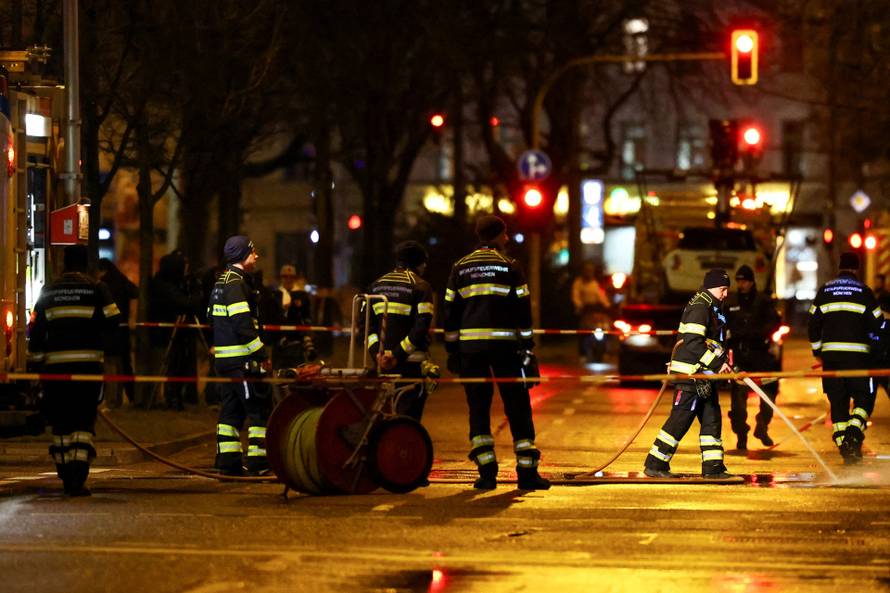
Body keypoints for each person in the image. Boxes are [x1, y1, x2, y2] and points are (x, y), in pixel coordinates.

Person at [444, 215, 549, 491]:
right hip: (506, 349)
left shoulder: (459, 268)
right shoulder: (510, 267)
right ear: (498, 235)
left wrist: (452, 349)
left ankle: (486, 474)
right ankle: (527, 474)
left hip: (471, 350)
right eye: (505, 234)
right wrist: (528, 350)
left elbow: (451, 313)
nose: (507, 238)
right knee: (518, 407)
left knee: (478, 408)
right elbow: (523, 312)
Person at [28, 245, 121, 496]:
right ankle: (77, 476)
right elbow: (114, 321)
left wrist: (37, 363)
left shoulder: (49, 291)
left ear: (64, 264)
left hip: (55, 370)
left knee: (60, 423)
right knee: (82, 421)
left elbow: (35, 330)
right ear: (86, 264)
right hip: (87, 368)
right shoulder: (96, 289)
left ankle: (64, 471)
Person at [643, 269, 733, 479]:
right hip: (691, 376)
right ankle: (655, 463)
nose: (725, 294)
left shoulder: (711, 306)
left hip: (703, 375)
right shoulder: (700, 306)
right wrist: (718, 364)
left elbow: (713, 343)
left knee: (712, 419)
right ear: (712, 287)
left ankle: (713, 468)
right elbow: (693, 342)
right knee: (680, 419)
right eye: (723, 289)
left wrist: (724, 365)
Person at [808, 251, 885, 464]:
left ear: (840, 267)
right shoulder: (864, 292)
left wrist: (818, 352)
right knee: (864, 399)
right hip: (859, 359)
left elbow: (813, 324)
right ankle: (853, 434)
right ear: (856, 269)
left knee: (838, 402)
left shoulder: (825, 291)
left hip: (831, 359)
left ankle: (845, 448)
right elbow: (878, 324)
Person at [208, 236, 271, 476]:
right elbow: (242, 324)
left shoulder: (221, 281)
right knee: (257, 410)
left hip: (225, 361)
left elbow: (211, 319)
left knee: (230, 413)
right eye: (253, 252)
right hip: (242, 361)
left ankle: (229, 463)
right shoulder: (236, 283)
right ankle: (259, 463)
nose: (256, 256)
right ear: (244, 255)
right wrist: (261, 353)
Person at [366, 240, 435, 422]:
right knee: (408, 420)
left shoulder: (375, 286)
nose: (425, 266)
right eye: (424, 262)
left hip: (381, 366)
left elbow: (367, 328)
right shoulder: (421, 287)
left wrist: (378, 355)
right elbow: (421, 327)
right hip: (411, 365)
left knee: (382, 416)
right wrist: (397, 355)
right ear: (418, 263)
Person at [725, 264, 782, 449]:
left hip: (760, 355)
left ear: (751, 282)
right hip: (741, 357)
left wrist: (759, 333)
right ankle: (741, 435)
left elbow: (775, 322)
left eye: (745, 281)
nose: (741, 285)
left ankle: (762, 426)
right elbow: (722, 325)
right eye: (739, 281)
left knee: (768, 394)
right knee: (738, 403)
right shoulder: (731, 303)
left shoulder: (763, 301)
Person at [143, 251, 201, 410]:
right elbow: (184, 303)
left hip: (173, 333)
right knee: (165, 366)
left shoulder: (169, 283)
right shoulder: (164, 286)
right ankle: (162, 398)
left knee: (178, 365)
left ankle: (175, 397)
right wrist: (196, 295)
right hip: (164, 334)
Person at [97, 258, 139, 408]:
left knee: (109, 364)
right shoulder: (122, 280)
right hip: (122, 330)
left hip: (109, 330)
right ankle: (131, 397)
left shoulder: (103, 285)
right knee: (124, 364)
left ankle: (112, 401)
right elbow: (135, 293)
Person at [571, 261, 611, 363]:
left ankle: (605, 350)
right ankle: (582, 353)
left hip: (596, 311)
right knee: (583, 332)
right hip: (585, 310)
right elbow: (576, 297)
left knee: (606, 328)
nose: (589, 272)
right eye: (587, 270)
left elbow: (601, 296)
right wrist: (579, 306)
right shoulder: (578, 283)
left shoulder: (595, 283)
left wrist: (607, 306)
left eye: (591, 270)